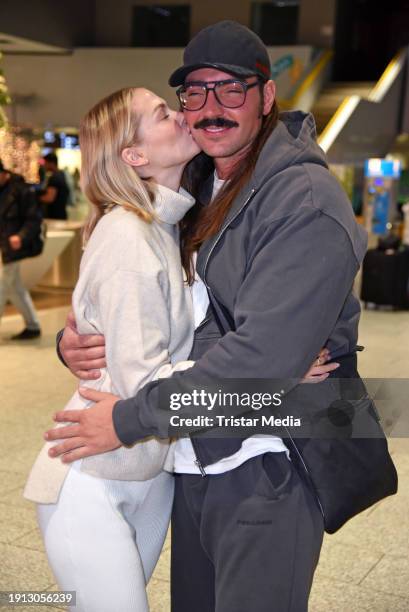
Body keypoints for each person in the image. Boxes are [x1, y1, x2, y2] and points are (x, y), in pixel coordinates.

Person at [45, 21, 367, 612]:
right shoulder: (191, 183)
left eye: (232, 89)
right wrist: (76, 341)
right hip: (192, 457)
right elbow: (149, 304)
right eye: (193, 94)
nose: (209, 109)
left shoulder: (304, 203)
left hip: (270, 462)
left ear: (268, 98)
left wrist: (129, 418)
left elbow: (261, 362)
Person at [24, 86, 201, 612]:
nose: (183, 115)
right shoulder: (129, 235)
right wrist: (272, 373)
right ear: (135, 156)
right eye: (163, 114)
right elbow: (141, 383)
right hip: (91, 482)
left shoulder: (164, 227)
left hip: (147, 473)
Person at [0, 159, 42, 340]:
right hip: (4, 246)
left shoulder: (22, 190)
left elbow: (34, 219)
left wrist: (21, 236)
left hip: (13, 247)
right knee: (15, 288)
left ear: (4, 173)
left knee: (2, 285)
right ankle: (32, 325)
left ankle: (33, 325)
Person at [39, 152, 70, 220]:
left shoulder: (55, 177)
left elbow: (49, 198)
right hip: (61, 214)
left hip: (55, 217)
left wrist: (35, 198)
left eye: (46, 163)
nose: (44, 166)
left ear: (51, 163)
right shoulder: (61, 174)